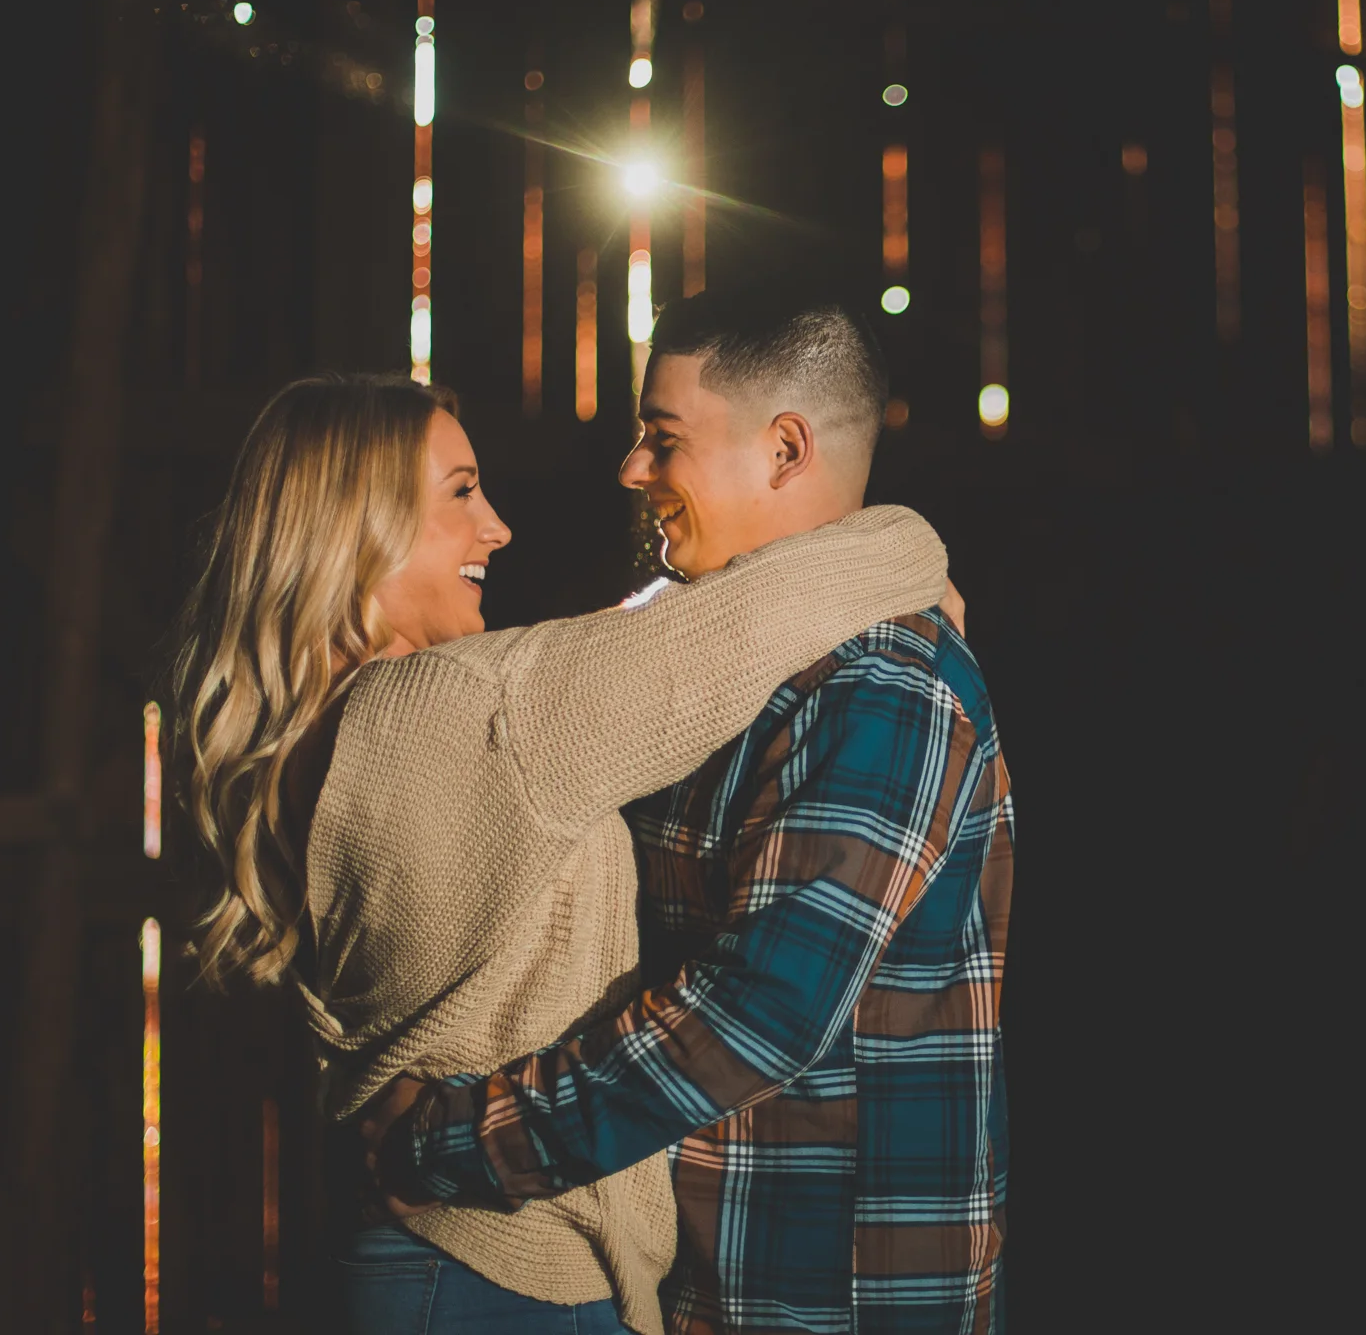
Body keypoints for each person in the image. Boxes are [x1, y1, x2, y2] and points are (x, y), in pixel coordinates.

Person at [168, 372, 951, 1333]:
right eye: (460, 491)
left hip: (441, 1270)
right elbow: (723, 633)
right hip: (504, 1276)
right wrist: (906, 554)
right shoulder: (453, 710)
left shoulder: (327, 732)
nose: (496, 527)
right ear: (355, 522)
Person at [363, 282, 1015, 1335]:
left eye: (662, 440)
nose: (632, 469)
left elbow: (756, 1015)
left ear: (785, 450)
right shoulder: (708, 659)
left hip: (824, 1294)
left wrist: (459, 1142)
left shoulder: (880, 691)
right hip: (694, 1283)